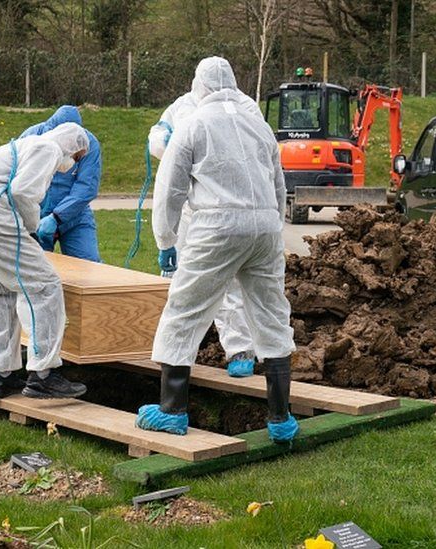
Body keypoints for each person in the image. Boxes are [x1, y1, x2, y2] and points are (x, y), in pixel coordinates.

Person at [136, 57, 299, 443]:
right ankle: (280, 417)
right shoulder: (258, 124)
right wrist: (272, 227)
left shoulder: (193, 124)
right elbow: (278, 186)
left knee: (185, 309)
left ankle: (172, 410)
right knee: (273, 315)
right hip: (263, 228)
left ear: (199, 87)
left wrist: (166, 241)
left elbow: (169, 191)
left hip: (217, 227)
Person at [0, 123, 90, 399]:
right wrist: (32, 230)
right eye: (76, 157)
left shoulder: (21, 146)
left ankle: (1, 374)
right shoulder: (48, 148)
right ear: (71, 146)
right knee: (43, 286)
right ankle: (43, 375)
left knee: (0, 290)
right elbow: (24, 193)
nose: (73, 164)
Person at [148, 89, 261, 378]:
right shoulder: (183, 104)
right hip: (192, 208)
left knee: (230, 282)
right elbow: (157, 136)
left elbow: (260, 147)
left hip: (227, 207)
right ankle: (170, 351)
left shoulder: (244, 106)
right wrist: (166, 144)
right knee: (179, 281)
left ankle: (239, 348)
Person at [19, 106, 102, 262]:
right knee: (34, 268)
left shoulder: (88, 144)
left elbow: (86, 187)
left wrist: (57, 217)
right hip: (36, 217)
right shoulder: (33, 136)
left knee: (89, 266)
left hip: (74, 217)